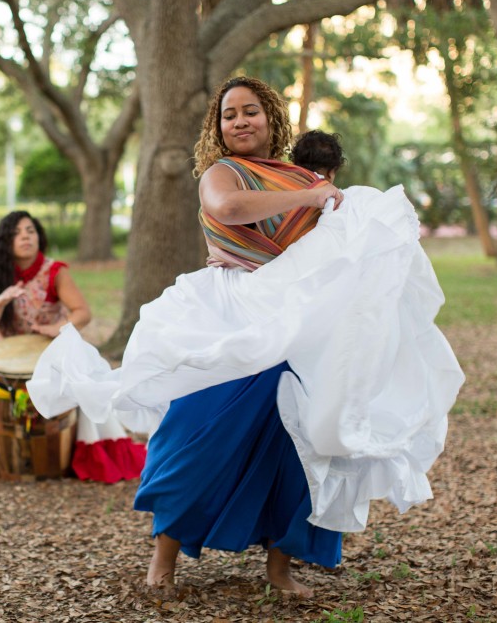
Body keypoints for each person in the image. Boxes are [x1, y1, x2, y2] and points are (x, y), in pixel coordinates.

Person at [28, 77, 464, 595]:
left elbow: (330, 250)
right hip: (229, 310)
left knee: (295, 442)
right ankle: (163, 558)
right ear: (218, 128)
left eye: (250, 111)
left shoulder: (298, 176)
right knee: (198, 429)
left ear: (271, 117)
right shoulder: (224, 173)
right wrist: (311, 194)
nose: (239, 121)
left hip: (293, 318)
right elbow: (229, 209)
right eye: (229, 114)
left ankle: (279, 568)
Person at [0, 210, 146, 483]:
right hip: (5, 356)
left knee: (84, 388)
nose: (25, 237)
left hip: (51, 351)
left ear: (39, 236)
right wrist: (2, 299)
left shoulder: (55, 271)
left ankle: (78, 450)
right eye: (17, 233)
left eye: (30, 231)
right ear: (6, 241)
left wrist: (57, 327)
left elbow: (82, 312)